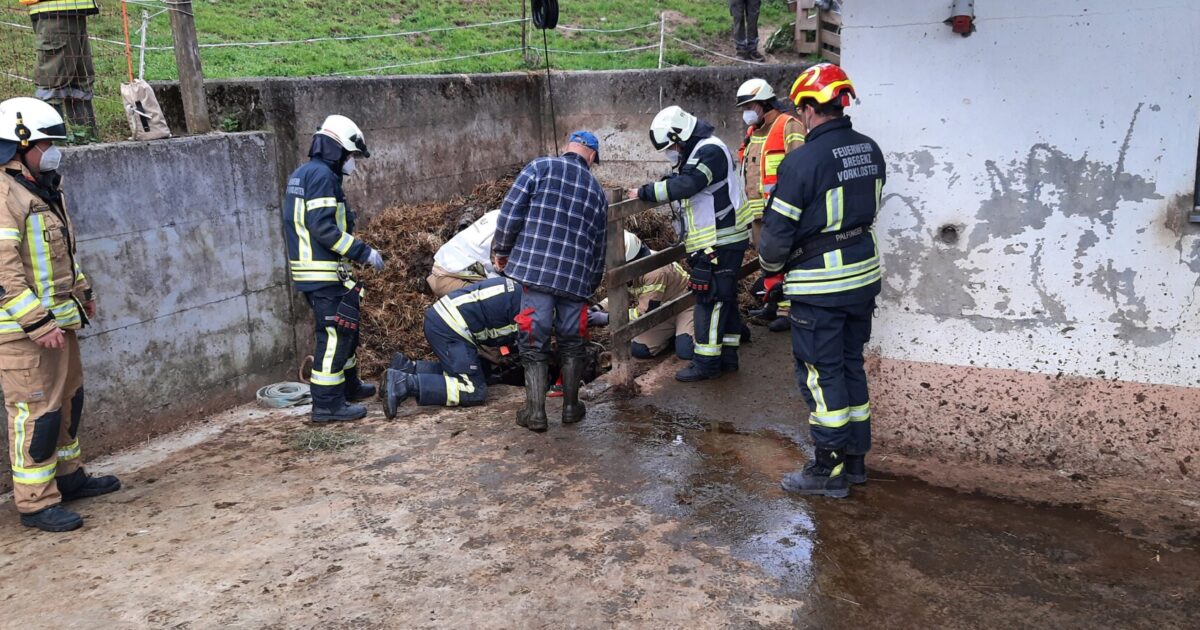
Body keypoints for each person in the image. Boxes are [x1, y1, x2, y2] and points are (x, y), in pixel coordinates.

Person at [758, 63, 885, 498]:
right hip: (863, 279)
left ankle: (825, 472)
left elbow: (775, 237)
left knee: (820, 372)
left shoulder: (801, 162)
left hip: (821, 287)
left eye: (802, 108)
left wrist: (770, 270)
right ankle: (854, 463)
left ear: (811, 108)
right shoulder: (870, 150)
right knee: (850, 367)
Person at [0, 97, 119, 532]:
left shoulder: (42, 185)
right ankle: (35, 501)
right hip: (23, 332)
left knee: (70, 401)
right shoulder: (3, 192)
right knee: (37, 413)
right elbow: (4, 270)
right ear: (20, 142)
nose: (53, 149)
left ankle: (68, 478)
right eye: (47, 141)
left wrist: (81, 290)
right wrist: (36, 321)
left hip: (60, 320)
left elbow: (61, 253)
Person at [492, 130, 607, 433]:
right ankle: (570, 408)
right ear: (592, 156)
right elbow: (599, 246)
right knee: (572, 342)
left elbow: (509, 213)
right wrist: (590, 285)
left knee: (533, 341)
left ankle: (535, 413)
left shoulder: (539, 168)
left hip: (536, 274)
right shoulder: (596, 190)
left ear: (569, 147)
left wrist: (502, 252)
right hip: (575, 280)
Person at [628, 106, 748, 383]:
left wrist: (646, 191)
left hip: (719, 241)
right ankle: (728, 358)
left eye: (671, 146)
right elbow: (687, 179)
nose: (672, 152)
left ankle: (706, 364)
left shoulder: (710, 151)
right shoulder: (703, 151)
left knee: (710, 301)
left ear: (680, 135)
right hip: (721, 240)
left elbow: (689, 184)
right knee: (724, 300)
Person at [282, 115, 385, 423]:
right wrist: (363, 252)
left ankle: (348, 385)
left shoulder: (307, 173)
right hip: (322, 273)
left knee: (347, 328)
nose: (351, 163)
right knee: (335, 335)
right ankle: (327, 404)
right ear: (337, 149)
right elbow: (323, 228)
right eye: (351, 155)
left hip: (322, 273)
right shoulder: (323, 176)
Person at [381, 276, 521, 414]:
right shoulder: (528, 307)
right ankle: (404, 383)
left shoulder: (519, 291)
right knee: (473, 390)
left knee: (481, 370)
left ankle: (407, 368)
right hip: (450, 327)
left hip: (444, 320)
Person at [736, 78, 806, 333]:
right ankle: (772, 304)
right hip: (758, 213)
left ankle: (789, 311)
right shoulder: (753, 132)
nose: (746, 112)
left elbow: (801, 169)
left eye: (749, 106)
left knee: (786, 259)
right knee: (767, 260)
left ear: (764, 103)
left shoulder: (789, 126)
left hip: (783, 212)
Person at [611, 231, 695, 361]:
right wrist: (599, 308)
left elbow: (646, 313)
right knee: (639, 349)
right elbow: (618, 294)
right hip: (663, 310)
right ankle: (674, 335)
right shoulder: (633, 267)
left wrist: (608, 317)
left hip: (685, 304)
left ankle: (684, 332)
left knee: (686, 350)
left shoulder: (654, 271)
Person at [25, 0, 100, 135]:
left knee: (79, 83)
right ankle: (52, 144)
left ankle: (86, 139)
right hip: (55, 13)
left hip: (71, 11)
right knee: (52, 84)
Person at [427, 209, 501, 298]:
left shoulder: (497, 214)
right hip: (447, 278)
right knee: (498, 296)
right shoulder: (505, 231)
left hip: (444, 265)